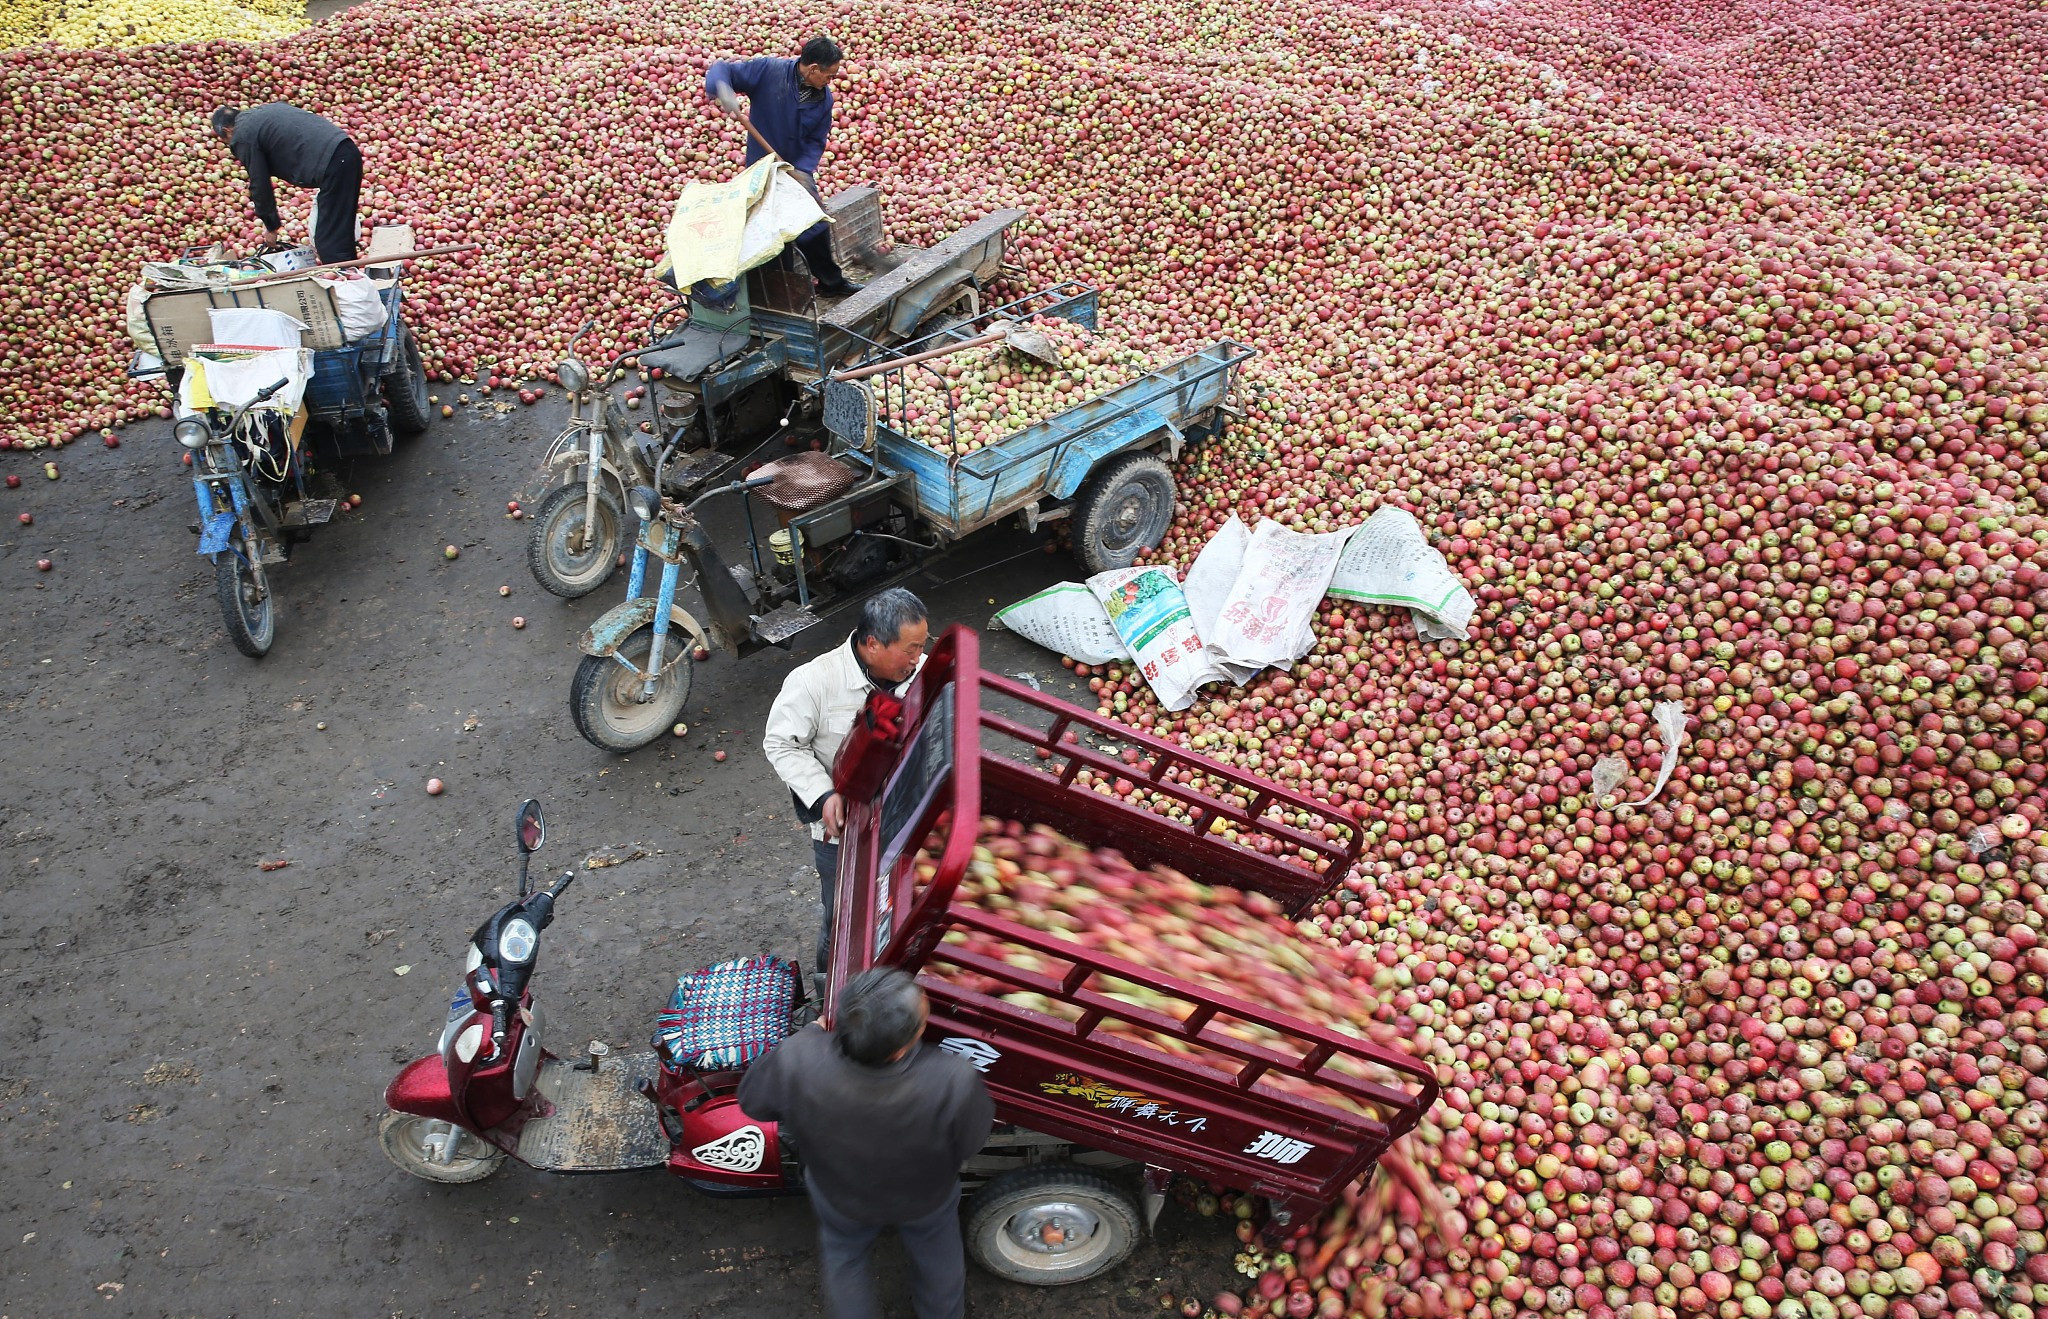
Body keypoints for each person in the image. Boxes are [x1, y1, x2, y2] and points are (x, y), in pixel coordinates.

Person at [738, 967, 993, 1319]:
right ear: (902, 1048)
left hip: (840, 1195)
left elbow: (753, 1102)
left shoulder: (799, 1057)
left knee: (845, 1261)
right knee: (939, 1262)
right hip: (925, 1198)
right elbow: (970, 1142)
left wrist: (809, 1035)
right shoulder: (953, 1079)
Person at [763, 588, 929, 984]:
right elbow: (781, 743)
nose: (917, 658)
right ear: (872, 643)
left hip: (908, 820)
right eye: (910, 649)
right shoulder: (813, 682)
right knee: (843, 920)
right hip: (842, 836)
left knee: (905, 911)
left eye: (922, 647)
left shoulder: (920, 672)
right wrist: (823, 795)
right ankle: (830, 991)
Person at [703, 36, 864, 297]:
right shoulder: (769, 71)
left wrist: (802, 169)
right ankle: (783, 292)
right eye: (829, 75)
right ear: (813, 69)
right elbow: (722, 69)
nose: (830, 81)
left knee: (815, 225)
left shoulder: (823, 100)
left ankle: (831, 283)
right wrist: (723, 88)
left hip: (795, 171)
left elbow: (816, 140)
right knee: (774, 235)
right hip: (763, 170)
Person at [211, 104, 364, 265]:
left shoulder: (242, 135)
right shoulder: (259, 114)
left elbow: (259, 183)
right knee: (339, 232)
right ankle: (354, 280)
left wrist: (271, 226)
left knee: (329, 241)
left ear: (227, 131)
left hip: (333, 164)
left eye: (226, 140)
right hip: (345, 151)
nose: (231, 145)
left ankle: (346, 283)